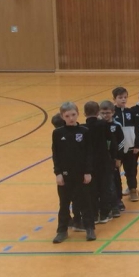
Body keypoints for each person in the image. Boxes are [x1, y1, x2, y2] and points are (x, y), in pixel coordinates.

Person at [52, 101, 94, 243]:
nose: (71, 118)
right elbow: (56, 154)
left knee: (86, 202)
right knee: (64, 204)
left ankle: (90, 228)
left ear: (78, 114)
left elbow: (89, 153)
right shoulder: (57, 133)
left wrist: (88, 172)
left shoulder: (84, 131)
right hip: (65, 175)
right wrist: (58, 173)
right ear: (62, 117)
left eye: (73, 115)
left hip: (81, 174)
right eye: (67, 116)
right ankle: (62, 231)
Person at [83, 101, 115, 225]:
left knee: (93, 189)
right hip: (104, 161)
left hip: (90, 163)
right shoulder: (104, 125)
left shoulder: (83, 128)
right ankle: (105, 214)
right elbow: (110, 140)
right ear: (98, 112)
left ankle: (95, 214)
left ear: (84, 113)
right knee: (104, 187)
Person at [112, 86, 139, 202]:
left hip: (130, 147)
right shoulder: (112, 113)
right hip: (117, 149)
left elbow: (136, 129)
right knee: (115, 172)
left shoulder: (131, 112)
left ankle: (133, 189)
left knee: (131, 170)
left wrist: (137, 144)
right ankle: (116, 193)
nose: (123, 99)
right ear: (114, 99)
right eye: (120, 97)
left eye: (125, 97)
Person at [99, 100, 124, 217]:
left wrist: (118, 158)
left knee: (116, 179)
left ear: (113, 112)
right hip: (102, 159)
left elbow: (121, 143)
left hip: (114, 158)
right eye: (103, 113)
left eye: (108, 113)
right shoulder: (99, 125)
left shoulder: (116, 126)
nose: (105, 115)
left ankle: (118, 200)